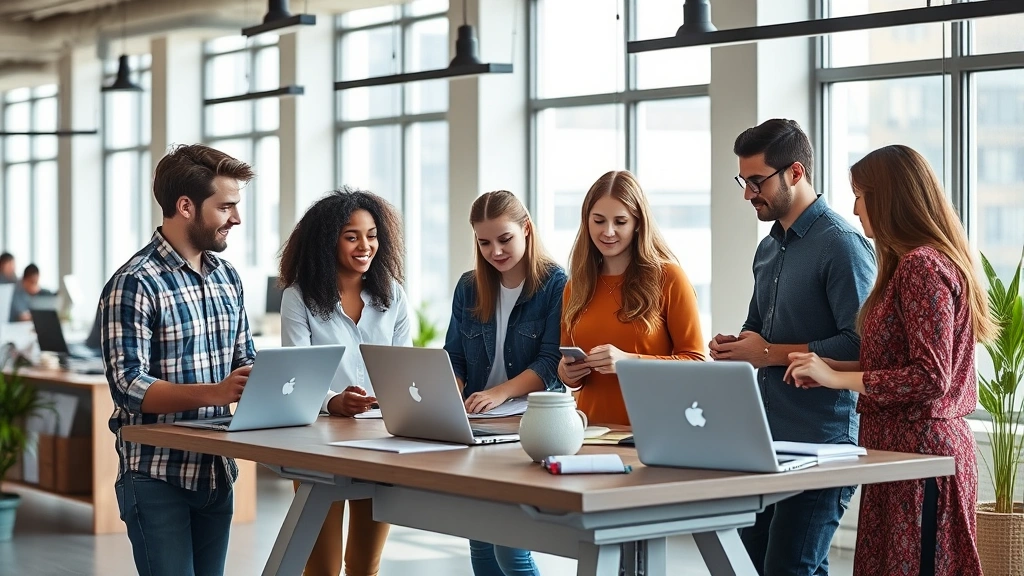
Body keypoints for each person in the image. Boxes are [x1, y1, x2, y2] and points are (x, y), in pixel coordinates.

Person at [785, 144, 994, 576]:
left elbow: (929, 378)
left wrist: (837, 378)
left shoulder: (922, 266)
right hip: (898, 458)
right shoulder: (907, 265)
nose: (856, 208)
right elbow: (892, 365)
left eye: (861, 194)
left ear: (890, 198)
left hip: (922, 461)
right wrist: (824, 371)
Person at [708, 119, 876, 576]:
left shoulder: (842, 245)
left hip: (825, 440)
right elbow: (758, 329)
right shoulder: (768, 249)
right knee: (746, 563)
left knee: (791, 568)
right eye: (743, 181)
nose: (747, 194)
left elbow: (862, 347)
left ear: (796, 173)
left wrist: (767, 353)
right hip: (768, 439)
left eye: (757, 181)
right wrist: (734, 345)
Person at [100, 144, 257, 576]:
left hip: (215, 473)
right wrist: (218, 392)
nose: (237, 218)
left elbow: (246, 360)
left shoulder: (228, 278)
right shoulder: (134, 283)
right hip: (156, 476)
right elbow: (129, 386)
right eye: (226, 207)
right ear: (185, 206)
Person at [278, 187, 410, 576]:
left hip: (380, 442)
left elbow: (404, 370)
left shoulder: (393, 296)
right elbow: (296, 376)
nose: (365, 245)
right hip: (318, 443)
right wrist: (334, 401)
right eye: (351, 236)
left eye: (371, 235)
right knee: (320, 566)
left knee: (365, 566)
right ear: (327, 241)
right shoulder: (298, 297)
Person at [443, 190, 567, 576]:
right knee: (480, 542)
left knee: (511, 551)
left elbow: (551, 361)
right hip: (478, 423)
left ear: (526, 230)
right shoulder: (469, 286)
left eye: (504, 239)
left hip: (529, 424)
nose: (494, 251)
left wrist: (498, 393)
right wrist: (450, 390)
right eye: (484, 242)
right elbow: (455, 355)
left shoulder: (555, 284)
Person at [558, 170, 704, 426]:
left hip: (652, 430)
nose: (609, 231)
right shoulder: (575, 286)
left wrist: (629, 362)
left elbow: (695, 362)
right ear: (586, 221)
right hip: (589, 431)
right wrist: (567, 373)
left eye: (621, 222)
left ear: (638, 223)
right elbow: (571, 370)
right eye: (599, 220)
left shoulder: (669, 278)